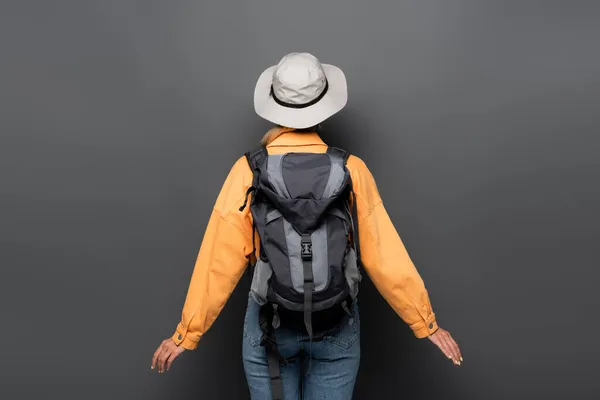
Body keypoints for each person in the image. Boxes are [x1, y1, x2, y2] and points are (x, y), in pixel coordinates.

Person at [151, 52, 462, 399]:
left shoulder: (249, 171)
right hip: (338, 320)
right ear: (324, 104)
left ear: (274, 103)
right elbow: (383, 253)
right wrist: (425, 322)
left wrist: (186, 333)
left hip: (270, 322)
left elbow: (218, 261)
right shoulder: (351, 170)